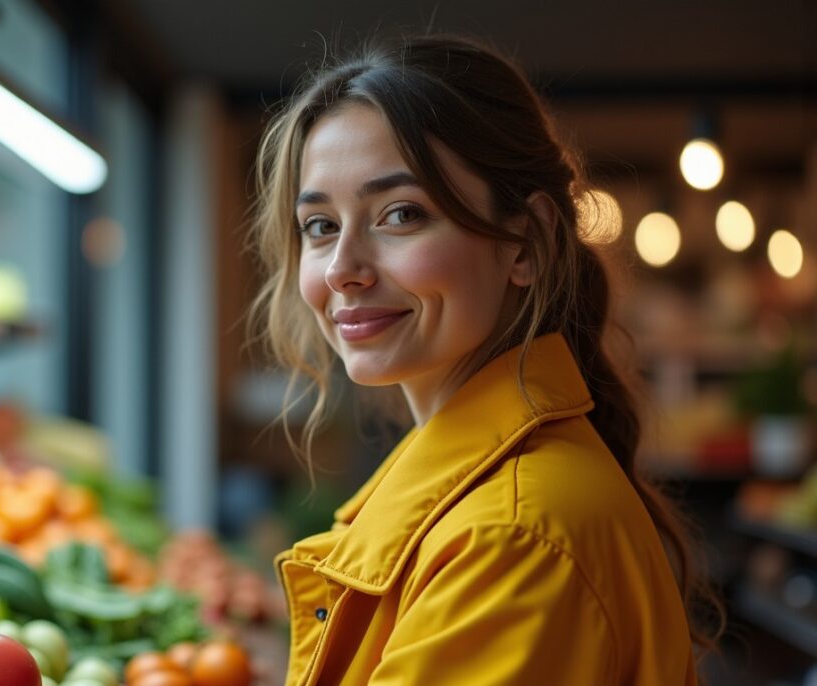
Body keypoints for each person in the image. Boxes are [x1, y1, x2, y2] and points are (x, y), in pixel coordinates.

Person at [250, 35, 721, 685]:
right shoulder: (490, 504)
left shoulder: (513, 537)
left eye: (400, 214)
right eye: (321, 226)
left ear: (526, 243)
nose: (342, 271)